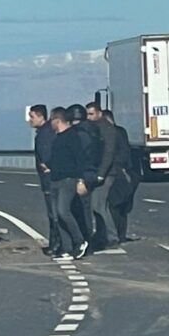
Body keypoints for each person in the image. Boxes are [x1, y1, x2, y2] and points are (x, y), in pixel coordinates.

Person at [49, 107, 89, 259]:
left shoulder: (72, 136)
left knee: (63, 210)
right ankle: (66, 248)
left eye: (52, 120)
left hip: (68, 179)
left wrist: (80, 180)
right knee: (56, 215)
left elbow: (80, 160)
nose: (50, 123)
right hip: (56, 179)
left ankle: (80, 242)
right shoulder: (57, 137)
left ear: (57, 120)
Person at [86, 101, 120, 250]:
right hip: (101, 172)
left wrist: (101, 174)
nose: (88, 117)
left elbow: (108, 153)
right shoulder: (96, 127)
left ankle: (111, 236)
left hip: (106, 173)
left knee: (98, 205)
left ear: (99, 113)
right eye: (87, 114)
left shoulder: (106, 129)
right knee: (99, 205)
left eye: (91, 114)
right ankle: (102, 235)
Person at [29, 104, 61, 256]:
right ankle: (56, 242)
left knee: (54, 213)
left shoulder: (45, 134)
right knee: (54, 212)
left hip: (49, 178)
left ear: (41, 116)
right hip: (49, 177)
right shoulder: (46, 132)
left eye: (32, 116)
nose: (30, 120)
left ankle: (56, 243)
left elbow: (46, 155)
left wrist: (47, 165)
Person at [103, 109, 135, 243]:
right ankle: (120, 234)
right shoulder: (121, 131)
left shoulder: (111, 133)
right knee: (122, 206)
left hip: (117, 171)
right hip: (126, 171)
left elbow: (120, 152)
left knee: (113, 204)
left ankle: (115, 234)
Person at [67, 104, 98, 244]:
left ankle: (84, 239)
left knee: (80, 208)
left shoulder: (77, 134)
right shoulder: (93, 130)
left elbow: (78, 157)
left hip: (82, 174)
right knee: (87, 207)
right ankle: (89, 237)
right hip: (92, 172)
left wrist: (79, 178)